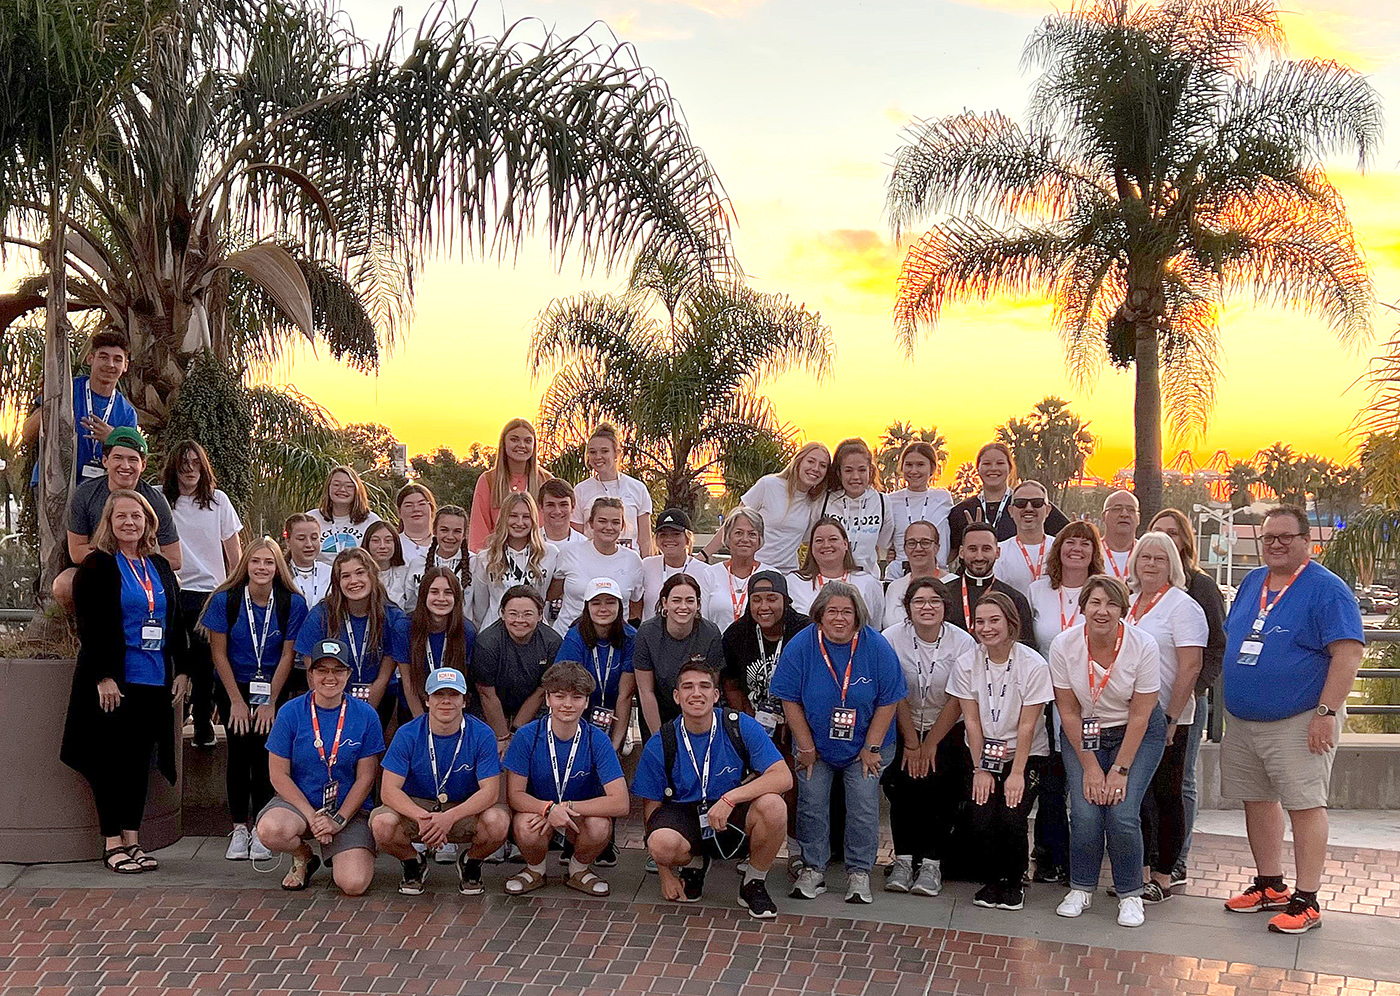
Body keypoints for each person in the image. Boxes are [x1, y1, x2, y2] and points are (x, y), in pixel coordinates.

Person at [1219, 506, 1364, 935]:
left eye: (1286, 537)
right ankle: (1270, 885)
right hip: (1244, 721)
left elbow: (1349, 653)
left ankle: (1307, 899)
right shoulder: (1252, 582)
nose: (1277, 544)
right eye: (1269, 538)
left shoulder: (1327, 590)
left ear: (1307, 541)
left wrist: (1326, 713)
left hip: (1300, 720)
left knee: (1304, 806)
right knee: (1257, 800)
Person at [60, 489, 191, 874]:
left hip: (154, 680)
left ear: (149, 520)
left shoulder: (160, 566)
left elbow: (176, 619)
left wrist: (182, 668)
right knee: (109, 762)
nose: (130, 522)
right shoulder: (99, 565)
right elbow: (92, 624)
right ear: (109, 522)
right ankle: (112, 843)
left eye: (137, 516)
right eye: (121, 517)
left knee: (137, 764)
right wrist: (104, 675)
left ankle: (133, 840)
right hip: (114, 682)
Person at [771, 581, 907, 905]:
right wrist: (805, 748)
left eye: (847, 611)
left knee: (862, 804)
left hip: (866, 745)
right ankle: (812, 868)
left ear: (858, 616)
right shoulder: (801, 645)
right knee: (811, 802)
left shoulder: (877, 646)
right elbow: (789, 699)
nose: (839, 618)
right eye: (832, 611)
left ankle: (859, 872)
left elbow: (889, 701)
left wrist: (871, 747)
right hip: (814, 744)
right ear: (819, 614)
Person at [1050, 576, 1166, 928]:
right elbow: (1067, 711)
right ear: (1082, 606)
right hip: (1084, 732)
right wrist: (1090, 767)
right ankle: (1081, 888)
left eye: (1111, 604)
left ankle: (1131, 894)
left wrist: (1119, 769)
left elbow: (1141, 714)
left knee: (1122, 812)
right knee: (1085, 811)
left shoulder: (1143, 645)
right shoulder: (1064, 645)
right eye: (1095, 603)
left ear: (1122, 609)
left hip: (1137, 733)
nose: (1102, 611)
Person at [633, 659, 792, 917]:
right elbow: (651, 808)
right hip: (685, 814)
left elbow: (783, 776)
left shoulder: (739, 725)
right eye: (688, 687)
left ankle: (753, 882)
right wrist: (664, 873)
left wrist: (731, 798)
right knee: (661, 842)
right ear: (676, 696)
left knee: (774, 805)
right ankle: (694, 864)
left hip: (731, 811)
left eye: (704, 686)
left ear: (716, 695)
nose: (696, 693)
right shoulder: (661, 741)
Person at [200, 538, 308, 862]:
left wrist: (270, 702)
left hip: (272, 688)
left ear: (278, 567)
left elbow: (289, 655)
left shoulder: (292, 603)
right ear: (245, 564)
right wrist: (235, 701)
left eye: (269, 562)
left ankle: (261, 826)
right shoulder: (226, 600)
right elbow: (218, 654)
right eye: (256, 561)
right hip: (234, 685)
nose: (262, 568)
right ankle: (238, 828)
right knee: (238, 754)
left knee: (264, 757)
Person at [947, 591, 1053, 910]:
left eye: (994, 620)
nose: (986, 628)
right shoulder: (967, 663)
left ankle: (1014, 880)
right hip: (985, 754)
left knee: (1012, 815)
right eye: (980, 621)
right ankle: (993, 880)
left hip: (1026, 754)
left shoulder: (1033, 664)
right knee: (981, 815)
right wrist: (982, 769)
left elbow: (1027, 726)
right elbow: (972, 722)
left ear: (1010, 623)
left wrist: (1016, 773)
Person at [256, 638, 386, 894]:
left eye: (338, 670)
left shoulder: (366, 715)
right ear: (311, 675)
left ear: (348, 674)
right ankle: (303, 856)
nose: (330, 677)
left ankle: (346, 847)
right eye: (322, 670)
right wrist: (312, 816)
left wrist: (338, 819)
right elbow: (278, 775)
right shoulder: (290, 712)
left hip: (348, 809)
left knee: (354, 885)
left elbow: (366, 778)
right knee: (271, 830)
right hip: (298, 804)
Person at [371, 666, 509, 896]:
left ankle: (471, 863)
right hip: (417, 806)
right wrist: (421, 817)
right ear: (427, 700)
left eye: (453, 695)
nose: (446, 701)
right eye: (439, 695)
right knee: (382, 824)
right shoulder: (407, 733)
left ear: (465, 701)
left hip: (463, 807)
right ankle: (413, 862)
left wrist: (449, 817)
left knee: (498, 822)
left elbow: (490, 792)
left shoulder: (482, 733)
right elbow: (388, 791)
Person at [1125, 531, 1208, 903]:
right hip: (1128, 717)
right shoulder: (1127, 603)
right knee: (1137, 797)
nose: (1152, 565)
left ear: (1172, 564)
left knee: (1166, 796)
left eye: (1160, 559)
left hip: (1167, 718)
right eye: (1146, 558)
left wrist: (1172, 718)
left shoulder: (1182, 606)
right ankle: (1138, 874)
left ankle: (1163, 876)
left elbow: (1190, 667)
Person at [881, 577, 976, 896]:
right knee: (904, 791)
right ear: (907, 607)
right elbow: (893, 691)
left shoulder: (962, 642)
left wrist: (931, 743)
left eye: (934, 601)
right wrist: (911, 742)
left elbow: (958, 697)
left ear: (945, 606)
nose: (927, 607)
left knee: (940, 792)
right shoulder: (891, 638)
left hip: (946, 727)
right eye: (919, 601)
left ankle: (932, 865)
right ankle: (904, 861)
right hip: (900, 722)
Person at [502, 662, 630, 896]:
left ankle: (578, 870)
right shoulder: (526, 735)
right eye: (560, 696)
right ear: (548, 699)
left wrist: (567, 807)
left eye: (577, 697)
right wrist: (548, 809)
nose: (568, 704)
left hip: (577, 816)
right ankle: (535, 870)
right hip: (539, 812)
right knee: (525, 825)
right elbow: (515, 795)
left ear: (586, 702)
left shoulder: (597, 739)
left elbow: (620, 802)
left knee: (600, 825)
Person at [1147, 507, 1226, 886]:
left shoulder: (1198, 588)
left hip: (1181, 703)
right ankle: (1149, 863)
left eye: (1172, 535)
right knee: (1149, 789)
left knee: (1179, 785)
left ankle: (1175, 862)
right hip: (1144, 709)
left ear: (1184, 542)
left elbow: (1211, 649)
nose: (1165, 542)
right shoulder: (1135, 595)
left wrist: (1187, 696)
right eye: (1157, 535)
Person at [1025, 519, 1106, 885]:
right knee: (1052, 783)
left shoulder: (1104, 591)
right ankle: (1047, 856)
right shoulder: (1037, 590)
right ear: (1058, 550)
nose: (1076, 549)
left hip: (1092, 700)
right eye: (1069, 542)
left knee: (1084, 781)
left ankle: (1083, 859)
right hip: (1045, 698)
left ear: (1093, 552)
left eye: (1084, 544)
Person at [721, 571, 809, 870]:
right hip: (756, 725)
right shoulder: (736, 634)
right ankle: (750, 850)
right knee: (755, 786)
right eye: (756, 599)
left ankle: (799, 853)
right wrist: (746, 720)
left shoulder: (805, 630)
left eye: (772, 599)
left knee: (797, 789)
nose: (764, 607)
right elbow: (731, 683)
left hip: (798, 725)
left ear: (785, 600)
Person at [163, 440, 243, 749]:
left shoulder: (218, 501)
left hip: (211, 591)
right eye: (184, 464)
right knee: (176, 654)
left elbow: (233, 552)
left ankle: (203, 720)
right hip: (172, 588)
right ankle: (179, 715)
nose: (190, 470)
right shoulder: (160, 498)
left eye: (196, 463)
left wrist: (235, 588)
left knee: (206, 655)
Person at [57, 427, 181, 612]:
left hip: (142, 567)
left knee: (175, 583)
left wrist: (135, 564)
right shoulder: (85, 494)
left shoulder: (155, 500)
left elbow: (175, 558)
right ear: (105, 461)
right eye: (118, 458)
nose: (125, 466)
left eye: (133, 459)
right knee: (64, 584)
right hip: (98, 567)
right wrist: (119, 562)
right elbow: (76, 552)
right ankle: (78, 633)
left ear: (143, 465)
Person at [294, 548, 409, 718]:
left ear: (372, 575)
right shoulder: (321, 615)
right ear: (337, 582)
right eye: (345, 576)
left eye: (360, 573)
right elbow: (312, 669)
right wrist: (329, 701)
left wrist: (372, 699)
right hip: (330, 695)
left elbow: (387, 668)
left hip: (380, 695)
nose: (353, 581)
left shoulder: (392, 616)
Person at [24, 330, 139, 486]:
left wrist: (113, 438)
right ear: (90, 358)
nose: (110, 364)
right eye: (104, 357)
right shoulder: (65, 390)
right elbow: (27, 434)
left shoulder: (127, 413)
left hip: (97, 491)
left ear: (125, 366)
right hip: (52, 484)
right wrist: (50, 401)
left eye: (117, 360)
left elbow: (130, 460)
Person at [703, 441, 830, 573]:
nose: (816, 468)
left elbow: (810, 542)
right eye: (811, 461)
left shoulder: (816, 502)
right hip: (754, 570)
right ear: (799, 461)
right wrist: (704, 555)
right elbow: (732, 525)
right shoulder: (769, 485)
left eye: (823, 466)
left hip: (787, 575)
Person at [634, 573, 726, 736]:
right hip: (658, 711)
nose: (683, 606)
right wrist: (660, 737)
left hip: (698, 710)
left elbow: (709, 688)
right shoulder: (647, 633)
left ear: (698, 604)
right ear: (665, 603)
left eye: (690, 601)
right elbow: (645, 691)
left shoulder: (710, 633)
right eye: (676, 600)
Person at [475, 586, 563, 752]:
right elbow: (486, 693)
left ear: (539, 615)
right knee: (495, 751)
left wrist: (516, 731)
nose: (520, 620)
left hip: (533, 704)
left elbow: (541, 691)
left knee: (526, 748)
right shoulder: (487, 643)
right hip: (491, 703)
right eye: (513, 613)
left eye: (528, 614)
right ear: (502, 613)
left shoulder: (552, 642)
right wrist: (502, 737)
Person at [556, 578, 637, 756]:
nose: (603, 609)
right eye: (596, 603)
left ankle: (621, 734)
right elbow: (567, 689)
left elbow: (625, 695)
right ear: (587, 607)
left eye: (610, 602)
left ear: (619, 606)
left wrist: (614, 746)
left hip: (614, 710)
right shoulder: (574, 637)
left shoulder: (631, 637)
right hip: (581, 707)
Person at [947, 441, 1068, 551]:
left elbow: (1067, 536)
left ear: (1010, 468)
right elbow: (947, 555)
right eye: (987, 463)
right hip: (974, 574)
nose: (993, 468)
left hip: (1020, 572)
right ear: (978, 468)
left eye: (1000, 463)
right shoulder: (962, 510)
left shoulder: (1029, 504)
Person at [547, 496, 644, 633]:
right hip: (568, 637)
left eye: (615, 522)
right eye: (602, 521)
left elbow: (636, 607)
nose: (609, 527)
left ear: (622, 526)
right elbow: (552, 594)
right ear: (591, 523)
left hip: (615, 643)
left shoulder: (633, 560)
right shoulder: (569, 552)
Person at [470, 492, 557, 630]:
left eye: (526, 517)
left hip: (535, 632)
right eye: (513, 516)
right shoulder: (486, 558)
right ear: (504, 518)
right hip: (495, 632)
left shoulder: (550, 554)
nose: (519, 522)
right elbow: (480, 607)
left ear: (534, 520)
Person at [403, 567, 478, 725]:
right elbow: (408, 683)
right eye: (434, 592)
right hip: (413, 710)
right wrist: (423, 726)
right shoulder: (404, 627)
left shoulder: (467, 631)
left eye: (448, 592)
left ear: (457, 597)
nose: (441, 598)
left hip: (451, 710)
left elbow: (464, 683)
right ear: (424, 595)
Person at [468, 418, 552, 553]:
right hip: (496, 557)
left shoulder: (546, 480)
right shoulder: (488, 480)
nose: (521, 445)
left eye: (528, 441)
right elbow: (479, 528)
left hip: (539, 556)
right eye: (514, 439)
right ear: (504, 444)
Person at [570, 424, 654, 556]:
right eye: (592, 452)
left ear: (617, 453)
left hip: (630, 563)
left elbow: (645, 541)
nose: (598, 457)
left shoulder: (638, 488)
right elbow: (577, 538)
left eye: (604, 451)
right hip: (592, 561)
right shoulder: (580, 490)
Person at [943, 521, 1032, 641]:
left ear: (997, 552)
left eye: (986, 549)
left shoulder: (1015, 599)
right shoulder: (943, 595)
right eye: (973, 549)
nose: (979, 557)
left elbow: (1026, 646)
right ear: (961, 552)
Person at [786, 517, 885, 623]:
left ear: (845, 544)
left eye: (833, 539)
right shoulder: (794, 582)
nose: (826, 545)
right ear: (811, 547)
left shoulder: (868, 583)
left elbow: (875, 626)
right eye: (819, 540)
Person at [818, 438, 892, 578]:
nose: (855, 477)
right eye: (848, 470)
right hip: (829, 580)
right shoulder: (824, 501)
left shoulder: (882, 502)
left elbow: (884, 542)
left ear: (870, 471)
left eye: (862, 470)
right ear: (839, 473)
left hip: (868, 579)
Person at [885, 441, 953, 576]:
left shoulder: (943, 498)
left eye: (920, 465)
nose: (913, 471)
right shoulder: (890, 500)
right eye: (909, 465)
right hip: (900, 573)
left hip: (937, 573)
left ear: (932, 468)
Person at [701, 507, 767, 631]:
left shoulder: (770, 575)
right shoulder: (709, 575)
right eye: (738, 533)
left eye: (752, 534)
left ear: (759, 540)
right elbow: (701, 621)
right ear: (728, 538)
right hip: (717, 647)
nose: (745, 539)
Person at [640, 507, 709, 619]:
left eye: (676, 534)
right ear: (656, 540)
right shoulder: (646, 566)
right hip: (652, 634)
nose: (669, 539)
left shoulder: (705, 571)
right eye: (663, 535)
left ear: (687, 538)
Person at [305, 465, 382, 564]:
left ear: (357, 490)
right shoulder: (312, 518)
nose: (342, 489)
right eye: (336, 485)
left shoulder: (371, 521)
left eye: (349, 486)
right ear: (328, 488)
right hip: (319, 577)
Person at [401, 505, 471, 610]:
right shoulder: (417, 563)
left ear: (464, 534)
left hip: (462, 625)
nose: (450, 536)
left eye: (457, 531)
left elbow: (480, 609)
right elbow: (410, 607)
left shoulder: (475, 564)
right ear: (434, 531)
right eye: (444, 530)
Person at [881, 520, 946, 628]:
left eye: (925, 542)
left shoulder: (952, 584)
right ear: (905, 548)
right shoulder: (894, 587)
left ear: (937, 548)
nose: (918, 548)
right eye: (912, 543)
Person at [993, 481, 1052, 597]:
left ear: (1047, 510)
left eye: (1037, 503)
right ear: (1011, 511)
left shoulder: (1061, 549)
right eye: (1021, 503)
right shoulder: (999, 551)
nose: (1029, 508)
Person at [283, 512, 331, 607]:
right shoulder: (280, 573)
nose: (309, 544)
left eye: (314, 538)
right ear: (288, 541)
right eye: (301, 539)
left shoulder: (331, 572)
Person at [363, 520, 410, 610]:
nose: (382, 546)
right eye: (376, 541)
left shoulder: (406, 574)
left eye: (388, 541)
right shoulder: (359, 575)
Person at [395, 482, 437, 568]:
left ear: (431, 509)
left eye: (421, 504)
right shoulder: (393, 545)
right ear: (399, 512)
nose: (416, 509)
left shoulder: (443, 544)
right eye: (408, 505)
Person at [1101, 489, 1140, 582]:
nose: (1124, 514)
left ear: (1138, 518)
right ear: (1103, 516)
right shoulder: (1092, 551)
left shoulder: (1145, 552)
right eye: (1117, 509)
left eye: (1131, 510)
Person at [538, 478, 586, 551]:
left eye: (563, 505)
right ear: (541, 507)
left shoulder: (585, 545)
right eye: (550, 505)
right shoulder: (530, 543)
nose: (557, 511)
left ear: (573, 507)